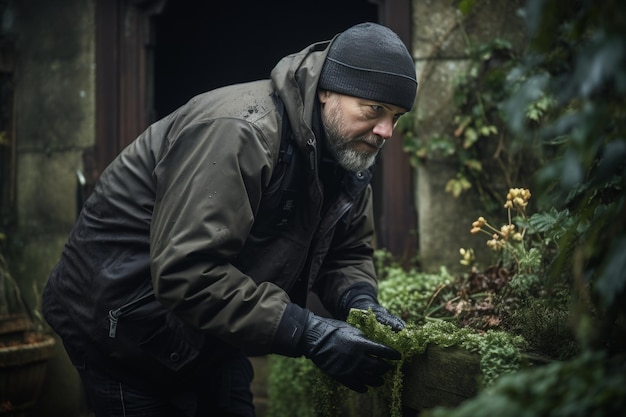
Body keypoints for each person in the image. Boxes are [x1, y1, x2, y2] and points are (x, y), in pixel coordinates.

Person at [42, 22, 418, 417]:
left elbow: (346, 252)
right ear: (327, 90)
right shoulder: (241, 131)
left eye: (396, 116)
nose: (385, 131)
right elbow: (186, 271)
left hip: (209, 334)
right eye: (375, 109)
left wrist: (358, 301)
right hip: (121, 329)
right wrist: (309, 333)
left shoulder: (347, 157)